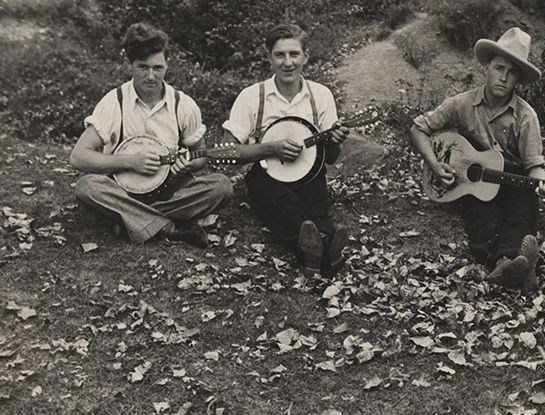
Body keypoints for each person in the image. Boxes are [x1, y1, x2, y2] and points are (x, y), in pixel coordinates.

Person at [410, 27, 545, 293]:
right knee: (482, 217)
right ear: (487, 67)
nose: (504, 77)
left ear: (518, 80)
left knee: (523, 209)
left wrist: (540, 181)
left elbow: (534, 166)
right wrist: (434, 163)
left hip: (512, 179)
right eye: (499, 68)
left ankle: (509, 264)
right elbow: (418, 129)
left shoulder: (526, 116)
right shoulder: (461, 104)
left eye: (512, 73)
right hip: (471, 180)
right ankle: (515, 268)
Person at [70, 23, 233, 248]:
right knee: (87, 187)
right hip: (123, 189)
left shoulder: (183, 105)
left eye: (158, 68)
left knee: (221, 186)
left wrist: (188, 165)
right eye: (142, 67)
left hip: (171, 188)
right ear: (130, 65)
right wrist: (129, 161)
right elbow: (78, 157)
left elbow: (200, 156)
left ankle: (132, 219)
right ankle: (171, 227)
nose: (150, 76)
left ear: (167, 64)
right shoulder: (113, 102)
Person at [222, 23, 350, 278]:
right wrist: (270, 147)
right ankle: (328, 249)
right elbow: (227, 152)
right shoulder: (252, 96)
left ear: (306, 56)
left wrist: (334, 139)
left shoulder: (320, 95)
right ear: (269, 57)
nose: (288, 62)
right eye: (280, 55)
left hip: (310, 174)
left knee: (315, 209)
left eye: (294, 54)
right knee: (282, 204)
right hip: (267, 175)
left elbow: (332, 158)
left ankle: (315, 253)